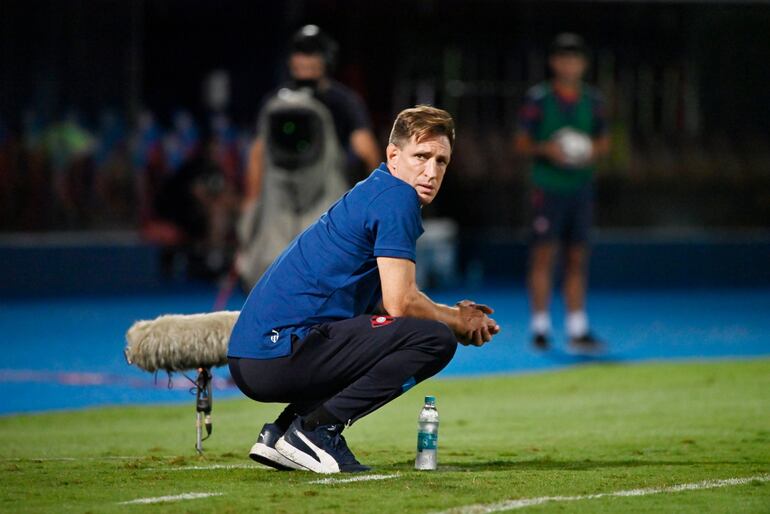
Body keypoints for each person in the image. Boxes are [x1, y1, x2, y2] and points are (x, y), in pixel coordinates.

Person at [228, 106, 500, 473]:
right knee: (433, 340)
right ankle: (316, 431)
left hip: (257, 356)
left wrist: (453, 316)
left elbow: (384, 310)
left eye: (441, 161)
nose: (431, 172)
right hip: (279, 351)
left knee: (394, 332)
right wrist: (454, 320)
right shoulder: (397, 198)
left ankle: (283, 433)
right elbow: (401, 303)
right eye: (421, 156)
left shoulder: (376, 190)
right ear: (392, 155)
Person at [513, 33, 610, 354]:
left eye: (576, 58)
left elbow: (605, 141)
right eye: (563, 57)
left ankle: (577, 328)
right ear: (554, 62)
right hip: (548, 188)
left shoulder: (594, 101)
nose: (569, 64)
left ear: (583, 63)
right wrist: (548, 150)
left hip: (580, 188)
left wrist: (587, 151)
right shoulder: (538, 99)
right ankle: (540, 327)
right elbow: (521, 143)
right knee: (544, 255)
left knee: (577, 257)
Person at [243, 25, 380, 205]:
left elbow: (365, 148)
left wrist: (376, 197)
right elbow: (257, 154)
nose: (304, 59)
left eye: (311, 52)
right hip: (281, 189)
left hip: (326, 189)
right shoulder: (275, 102)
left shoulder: (344, 101)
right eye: (299, 52)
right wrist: (251, 202)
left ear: (327, 58)